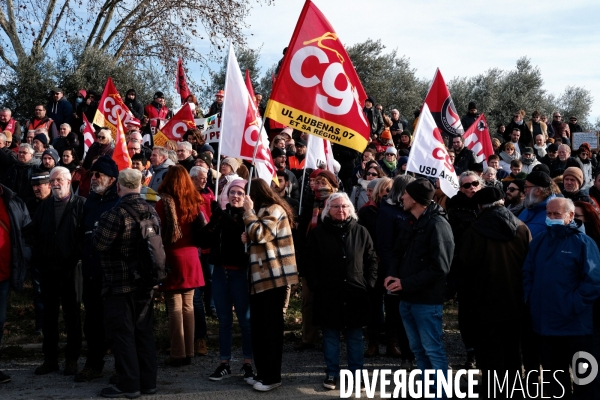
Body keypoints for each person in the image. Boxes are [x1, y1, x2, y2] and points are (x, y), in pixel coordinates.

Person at [523, 197, 600, 399]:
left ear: (570, 215)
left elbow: (592, 282)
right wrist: (531, 300)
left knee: (585, 380)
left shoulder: (584, 243)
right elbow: (527, 273)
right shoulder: (539, 240)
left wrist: (571, 305)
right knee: (554, 382)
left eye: (557, 214)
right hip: (546, 327)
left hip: (577, 327)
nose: (552, 217)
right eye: (549, 214)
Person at [93, 168, 159, 398]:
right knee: (143, 332)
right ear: (140, 186)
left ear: (118, 186)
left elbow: (100, 245)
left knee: (123, 334)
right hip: (146, 283)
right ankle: (148, 380)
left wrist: (94, 233)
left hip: (119, 283)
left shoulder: (115, 214)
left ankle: (129, 384)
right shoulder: (151, 211)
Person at [384, 178, 454, 397]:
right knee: (418, 350)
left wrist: (405, 283)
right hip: (407, 298)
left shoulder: (438, 225)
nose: (401, 197)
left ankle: (440, 393)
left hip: (426, 301)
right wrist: (393, 275)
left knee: (432, 350)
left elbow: (440, 268)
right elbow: (398, 252)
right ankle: (426, 391)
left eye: (405, 194)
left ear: (414, 199)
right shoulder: (412, 221)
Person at [460, 187, 531, 395]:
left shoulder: (474, 231)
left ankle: (494, 391)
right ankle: (515, 390)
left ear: (480, 206)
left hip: (484, 303)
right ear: (502, 201)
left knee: (489, 351)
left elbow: (465, 267)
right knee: (513, 350)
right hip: (516, 302)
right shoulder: (522, 228)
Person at [304, 192, 377, 390]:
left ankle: (357, 374)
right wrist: (316, 284)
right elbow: (309, 263)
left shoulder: (361, 231)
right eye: (335, 206)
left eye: (344, 206)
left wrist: (368, 283)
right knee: (330, 336)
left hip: (356, 293)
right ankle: (332, 374)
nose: (341, 210)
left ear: (351, 209)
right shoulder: (318, 233)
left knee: (355, 336)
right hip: (328, 293)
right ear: (328, 210)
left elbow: (372, 260)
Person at [26, 167, 85, 376]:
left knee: (72, 315)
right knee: (49, 316)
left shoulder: (80, 205)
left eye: (58, 180)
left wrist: (75, 255)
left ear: (69, 181)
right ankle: (50, 359)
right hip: (48, 269)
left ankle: (72, 359)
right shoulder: (45, 206)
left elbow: (84, 237)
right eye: (52, 181)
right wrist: (41, 254)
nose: (55, 184)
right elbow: (33, 232)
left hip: (71, 269)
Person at [242, 179, 299, 391]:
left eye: (249, 197)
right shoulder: (263, 210)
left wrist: (248, 214)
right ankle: (262, 372)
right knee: (259, 329)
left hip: (275, 278)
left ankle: (272, 376)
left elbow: (261, 234)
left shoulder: (273, 209)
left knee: (270, 330)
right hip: (261, 279)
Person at [198, 178, 253, 383]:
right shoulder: (220, 215)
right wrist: (211, 222)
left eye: (240, 193)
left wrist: (222, 217)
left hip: (240, 273)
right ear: (227, 195)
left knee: (246, 322)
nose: (236, 196)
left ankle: (248, 363)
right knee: (224, 322)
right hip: (221, 272)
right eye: (232, 192)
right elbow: (203, 239)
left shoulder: (248, 216)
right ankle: (224, 363)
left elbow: (239, 232)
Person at [156, 166, 206, 367]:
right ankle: (190, 351)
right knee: (188, 306)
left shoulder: (163, 204)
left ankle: (178, 353)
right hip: (191, 255)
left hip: (172, 255)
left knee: (174, 307)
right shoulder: (194, 203)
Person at [76, 156, 120, 383]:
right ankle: (94, 364)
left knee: (116, 322)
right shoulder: (90, 201)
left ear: (112, 179)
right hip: (92, 272)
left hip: (112, 274)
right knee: (92, 321)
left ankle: (124, 369)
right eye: (92, 174)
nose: (93, 179)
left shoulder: (119, 202)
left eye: (98, 175)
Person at [446, 171, 482, 369]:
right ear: (460, 188)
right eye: (467, 185)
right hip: (463, 266)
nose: (472, 188)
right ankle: (470, 352)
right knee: (466, 312)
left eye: (475, 183)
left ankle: (483, 350)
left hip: (486, 267)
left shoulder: (488, 204)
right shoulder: (454, 206)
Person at [0, 182, 31, 384]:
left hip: (3, 276)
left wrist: (25, 257)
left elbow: (25, 232)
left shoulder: (12, 199)